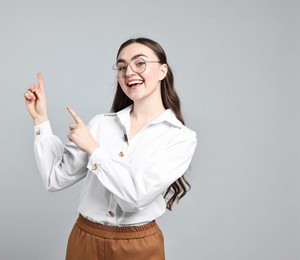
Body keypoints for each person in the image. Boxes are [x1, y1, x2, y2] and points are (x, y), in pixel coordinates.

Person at [24, 37, 197, 260]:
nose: (129, 72)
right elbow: (54, 178)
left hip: (139, 247)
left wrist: (94, 149)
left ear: (163, 70)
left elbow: (134, 197)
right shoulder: (100, 124)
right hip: (85, 240)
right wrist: (41, 120)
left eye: (140, 63)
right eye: (122, 66)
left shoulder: (180, 137)